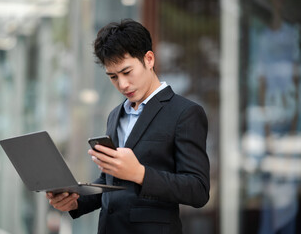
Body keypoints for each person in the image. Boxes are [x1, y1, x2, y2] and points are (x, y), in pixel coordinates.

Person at [46, 19, 210, 234]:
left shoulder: (185, 113)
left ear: (149, 59)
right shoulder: (115, 115)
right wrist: (76, 200)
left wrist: (140, 173)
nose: (122, 84)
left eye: (126, 72)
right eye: (113, 77)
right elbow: (111, 182)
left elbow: (198, 190)